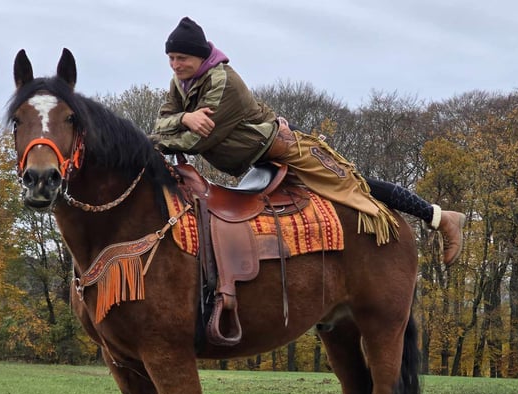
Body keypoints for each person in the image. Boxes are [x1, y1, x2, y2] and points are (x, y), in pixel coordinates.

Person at [151, 17, 465, 266]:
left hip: (285, 148)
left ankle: (440, 218)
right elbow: (163, 122)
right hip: (256, 157)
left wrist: (168, 133)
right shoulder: (180, 83)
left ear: (201, 56)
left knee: (354, 187)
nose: (176, 65)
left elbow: (199, 141)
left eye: (182, 58)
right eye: (171, 58)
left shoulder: (223, 82)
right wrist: (184, 118)